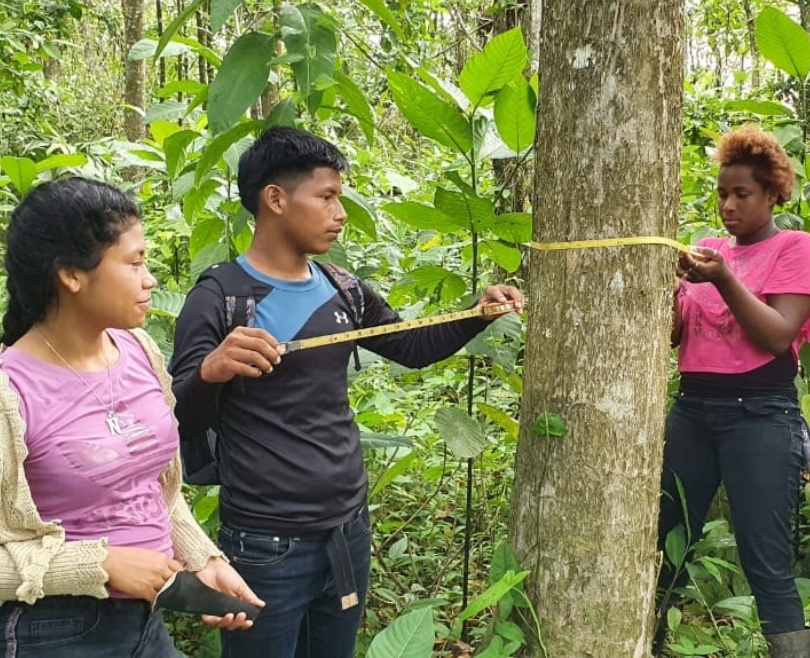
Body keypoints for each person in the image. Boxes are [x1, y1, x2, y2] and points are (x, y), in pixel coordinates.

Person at [168, 127, 523, 658]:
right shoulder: (221, 299)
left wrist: (477, 314)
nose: (339, 213)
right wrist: (212, 372)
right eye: (327, 196)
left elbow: (409, 345)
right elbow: (178, 419)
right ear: (276, 199)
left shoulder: (341, 287)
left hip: (349, 531)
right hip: (266, 545)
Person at [0, 178, 260, 656]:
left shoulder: (137, 350)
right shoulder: (9, 392)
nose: (150, 280)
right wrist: (98, 564)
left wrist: (200, 557)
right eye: (135, 262)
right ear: (71, 275)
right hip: (52, 631)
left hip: (143, 622)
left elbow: (152, 486)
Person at [656, 125, 810, 658]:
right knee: (666, 542)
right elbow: (676, 336)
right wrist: (673, 292)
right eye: (722, 193)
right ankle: (647, 643)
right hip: (692, 411)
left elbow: (776, 335)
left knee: (765, 558)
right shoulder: (710, 250)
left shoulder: (795, 248)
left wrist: (720, 280)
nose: (728, 206)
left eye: (742, 194)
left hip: (760, 415)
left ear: (772, 194)